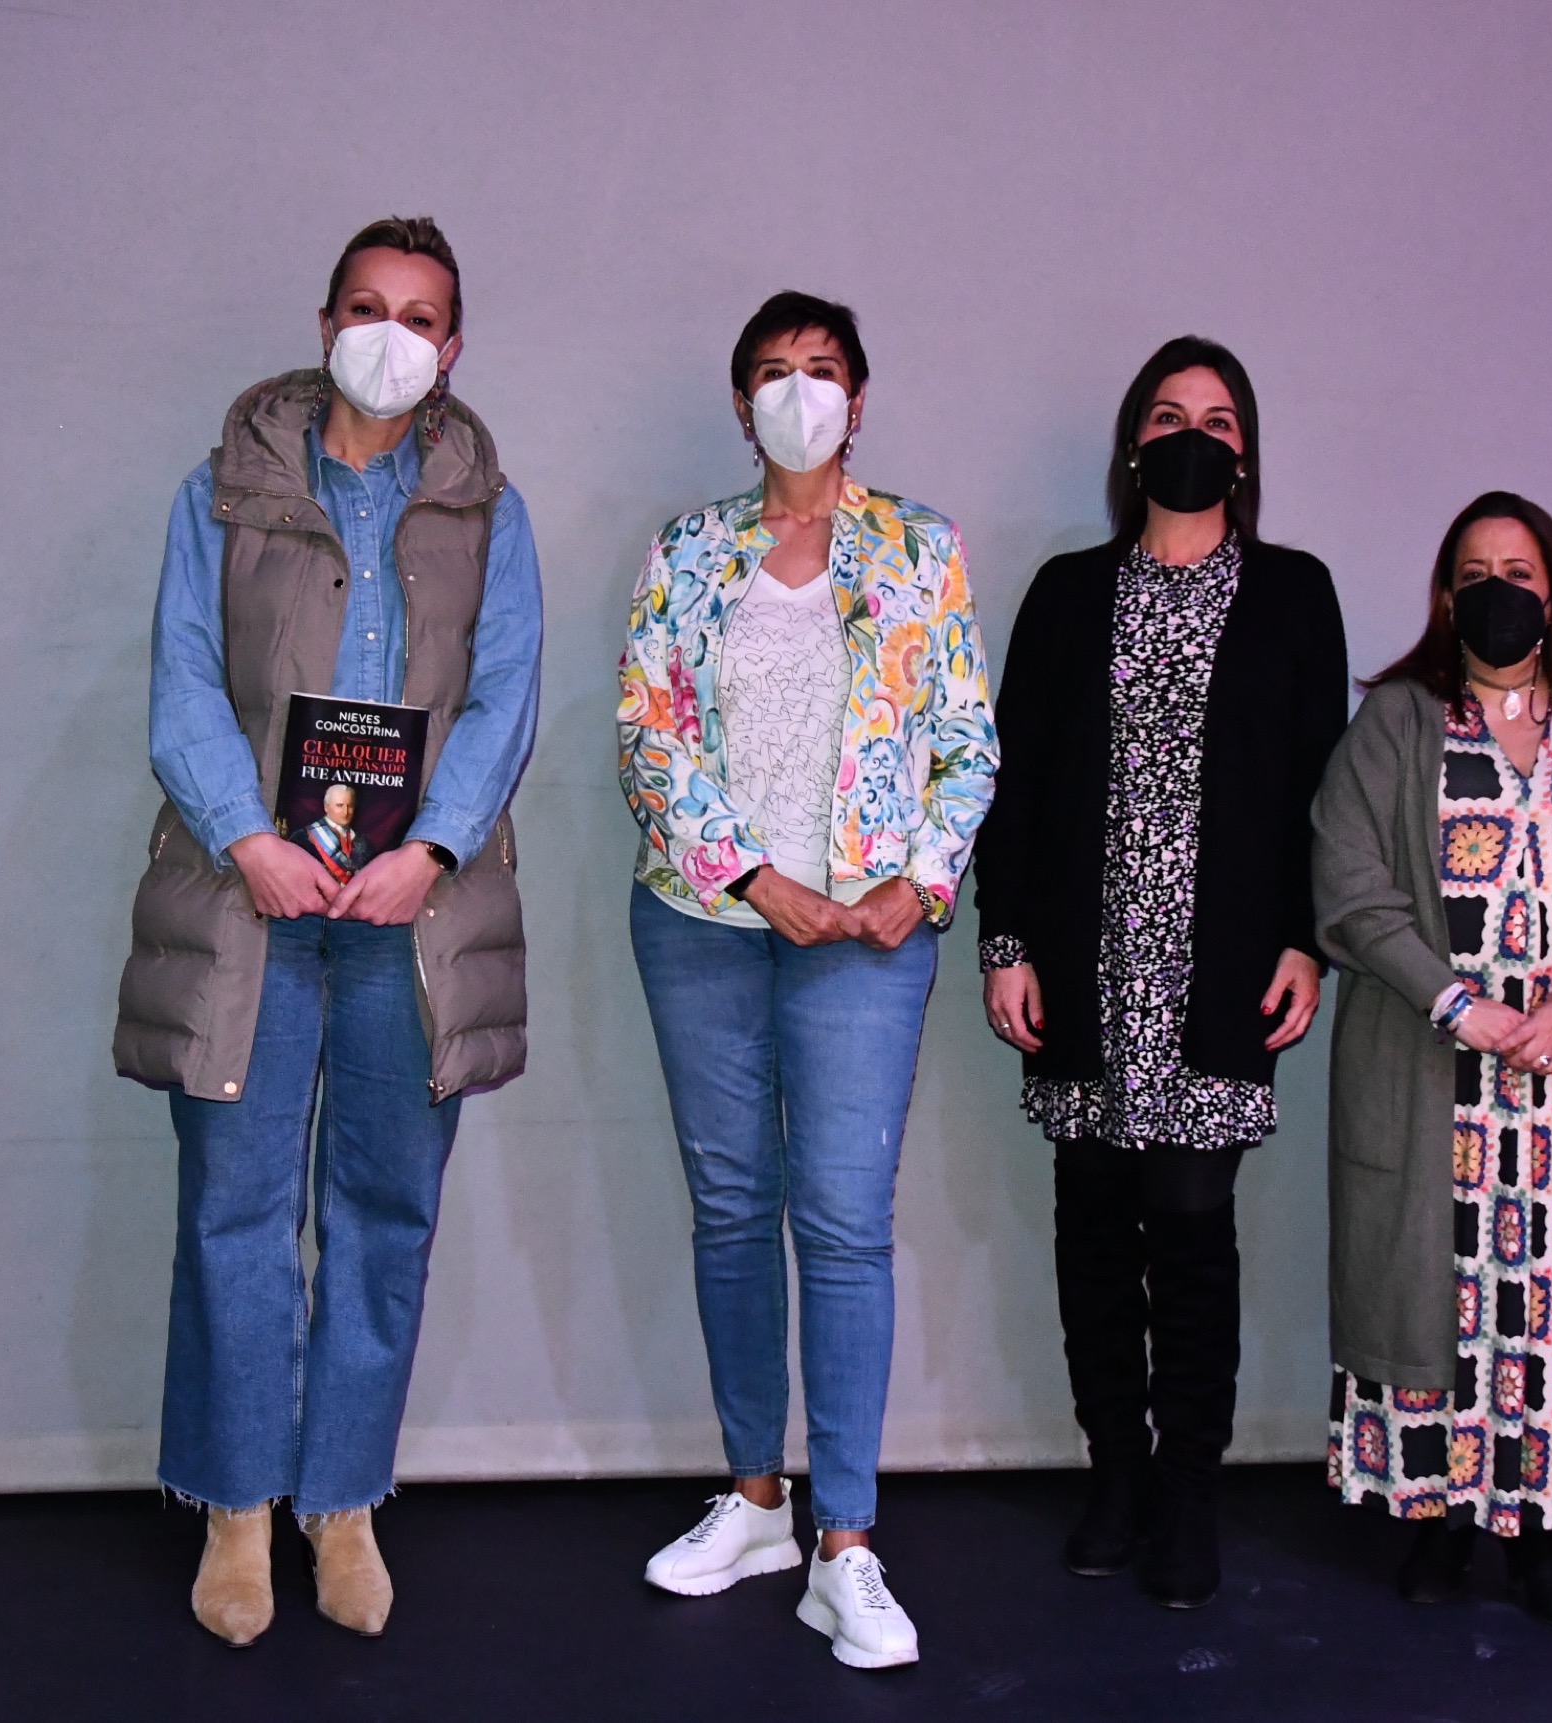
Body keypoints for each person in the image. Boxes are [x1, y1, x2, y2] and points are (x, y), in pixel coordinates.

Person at [113, 216, 542, 1647]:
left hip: (410, 916)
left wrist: (432, 848)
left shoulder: (489, 511)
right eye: (368, 307)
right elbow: (182, 675)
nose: (390, 336)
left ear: (453, 345)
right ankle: (238, 1504)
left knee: (383, 1209)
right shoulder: (222, 491)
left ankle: (342, 1499)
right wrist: (249, 836)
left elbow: (506, 694)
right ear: (323, 322)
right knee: (234, 1210)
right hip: (250, 901)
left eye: (420, 317)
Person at [618, 290, 997, 1669]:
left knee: (841, 1224)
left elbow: (966, 740)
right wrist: (749, 877)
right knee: (731, 1209)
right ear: (740, 403)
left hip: (867, 937)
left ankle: (846, 1543)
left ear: (859, 394)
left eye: (821, 368)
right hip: (704, 922)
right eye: (772, 371)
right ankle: (757, 1500)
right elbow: (647, 732)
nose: (797, 392)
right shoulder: (688, 549)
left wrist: (919, 882)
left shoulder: (919, 548)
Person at [970, 336, 1348, 1608]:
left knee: (1190, 1235)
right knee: (1090, 1230)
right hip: (1086, 965)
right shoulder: (1067, 592)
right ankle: (1115, 1476)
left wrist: (1305, 937)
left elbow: (1319, 785)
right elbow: (1015, 779)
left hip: (1220, 969)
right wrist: (1006, 943)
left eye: (1219, 419)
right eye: (1169, 414)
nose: (1194, 436)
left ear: (1245, 453)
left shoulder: (1292, 592)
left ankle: (1188, 1490)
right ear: (1132, 444)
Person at [1313, 491, 1552, 1629]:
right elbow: (1347, 877)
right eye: (1474, 573)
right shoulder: (1396, 721)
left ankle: (1542, 1538)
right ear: (1445, 596)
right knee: (1426, 1296)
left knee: (1550, 1308)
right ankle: (1432, 1519)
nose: (1497, 591)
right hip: (1430, 1066)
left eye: (1518, 573)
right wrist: (1453, 1002)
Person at [296, 782, 365, 880]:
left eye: (350, 806)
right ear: (326, 807)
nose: (345, 812)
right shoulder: (302, 837)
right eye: (339, 805)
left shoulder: (361, 841)